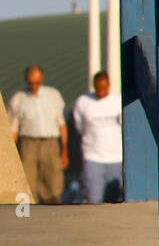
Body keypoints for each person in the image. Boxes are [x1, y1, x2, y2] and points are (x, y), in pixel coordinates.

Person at [7, 65, 67, 204]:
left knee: (53, 181)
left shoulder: (53, 95)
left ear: (42, 80)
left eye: (37, 82)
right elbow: (13, 129)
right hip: (28, 144)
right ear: (25, 81)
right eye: (31, 83)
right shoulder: (18, 98)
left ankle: (54, 212)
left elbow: (62, 125)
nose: (34, 86)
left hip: (50, 143)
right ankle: (29, 214)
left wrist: (64, 151)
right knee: (28, 182)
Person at [73, 71, 123, 203]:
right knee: (93, 199)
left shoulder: (118, 101)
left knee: (115, 199)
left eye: (104, 88)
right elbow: (80, 127)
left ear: (109, 85)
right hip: (92, 157)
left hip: (115, 158)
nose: (100, 92)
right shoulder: (83, 102)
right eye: (98, 88)